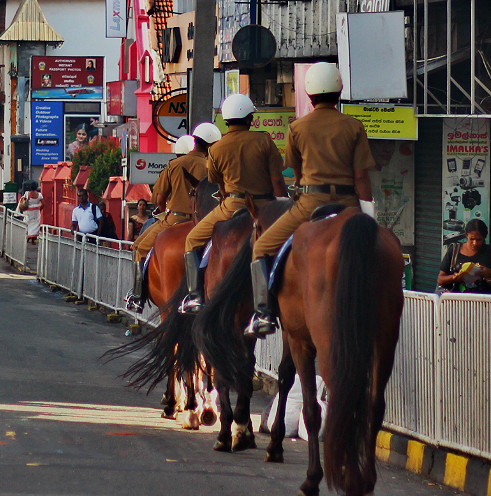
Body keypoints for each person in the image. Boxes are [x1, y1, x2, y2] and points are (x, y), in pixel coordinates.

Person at [248, 62, 375, 338]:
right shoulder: (355, 126)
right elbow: (362, 177)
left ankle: (263, 313)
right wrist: (369, 215)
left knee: (260, 248)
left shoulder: (297, 128)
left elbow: (297, 172)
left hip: (309, 205)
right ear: (339, 90)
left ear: (309, 94)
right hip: (348, 203)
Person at [179, 95, 287, 313]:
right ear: (249, 119)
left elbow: (218, 183)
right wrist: (283, 203)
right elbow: (277, 180)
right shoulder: (264, 140)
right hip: (264, 207)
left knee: (191, 240)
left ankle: (195, 296)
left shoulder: (216, 149)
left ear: (227, 120)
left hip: (231, 206)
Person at [124, 134, 209, 314]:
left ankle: (138, 297)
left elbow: (160, 199)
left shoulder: (174, 165)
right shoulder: (210, 164)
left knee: (139, 247)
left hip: (175, 218)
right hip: (204, 220)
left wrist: (166, 211)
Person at [436, 218, 491, 294]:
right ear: (466, 235)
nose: (475, 243)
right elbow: (440, 279)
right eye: (471, 239)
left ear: (484, 237)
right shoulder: (454, 250)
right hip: (458, 301)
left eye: (479, 240)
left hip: (483, 301)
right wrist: (454, 278)